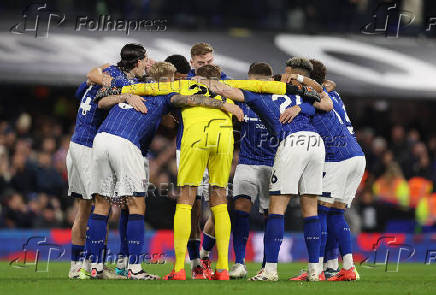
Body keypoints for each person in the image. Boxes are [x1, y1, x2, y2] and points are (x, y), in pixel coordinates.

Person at [86, 61, 243, 280]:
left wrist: (122, 94)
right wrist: (225, 104)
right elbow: (245, 95)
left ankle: (174, 268)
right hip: (223, 136)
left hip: (102, 139)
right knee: (218, 199)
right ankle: (223, 268)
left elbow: (102, 98)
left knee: (181, 199)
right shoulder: (223, 89)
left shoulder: (147, 86)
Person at [195, 62, 331, 281]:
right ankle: (316, 270)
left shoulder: (260, 98)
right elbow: (326, 99)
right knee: (310, 207)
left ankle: (270, 270)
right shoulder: (299, 94)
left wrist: (202, 83)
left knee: (276, 209)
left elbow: (225, 89)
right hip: (316, 144)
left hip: (289, 146)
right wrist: (303, 89)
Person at [68, 43, 147, 279]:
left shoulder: (98, 78)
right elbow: (97, 77)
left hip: (76, 143)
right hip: (89, 145)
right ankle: (92, 266)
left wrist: (99, 75)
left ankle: (78, 265)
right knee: (99, 207)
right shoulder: (116, 78)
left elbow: (88, 80)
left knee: (85, 208)